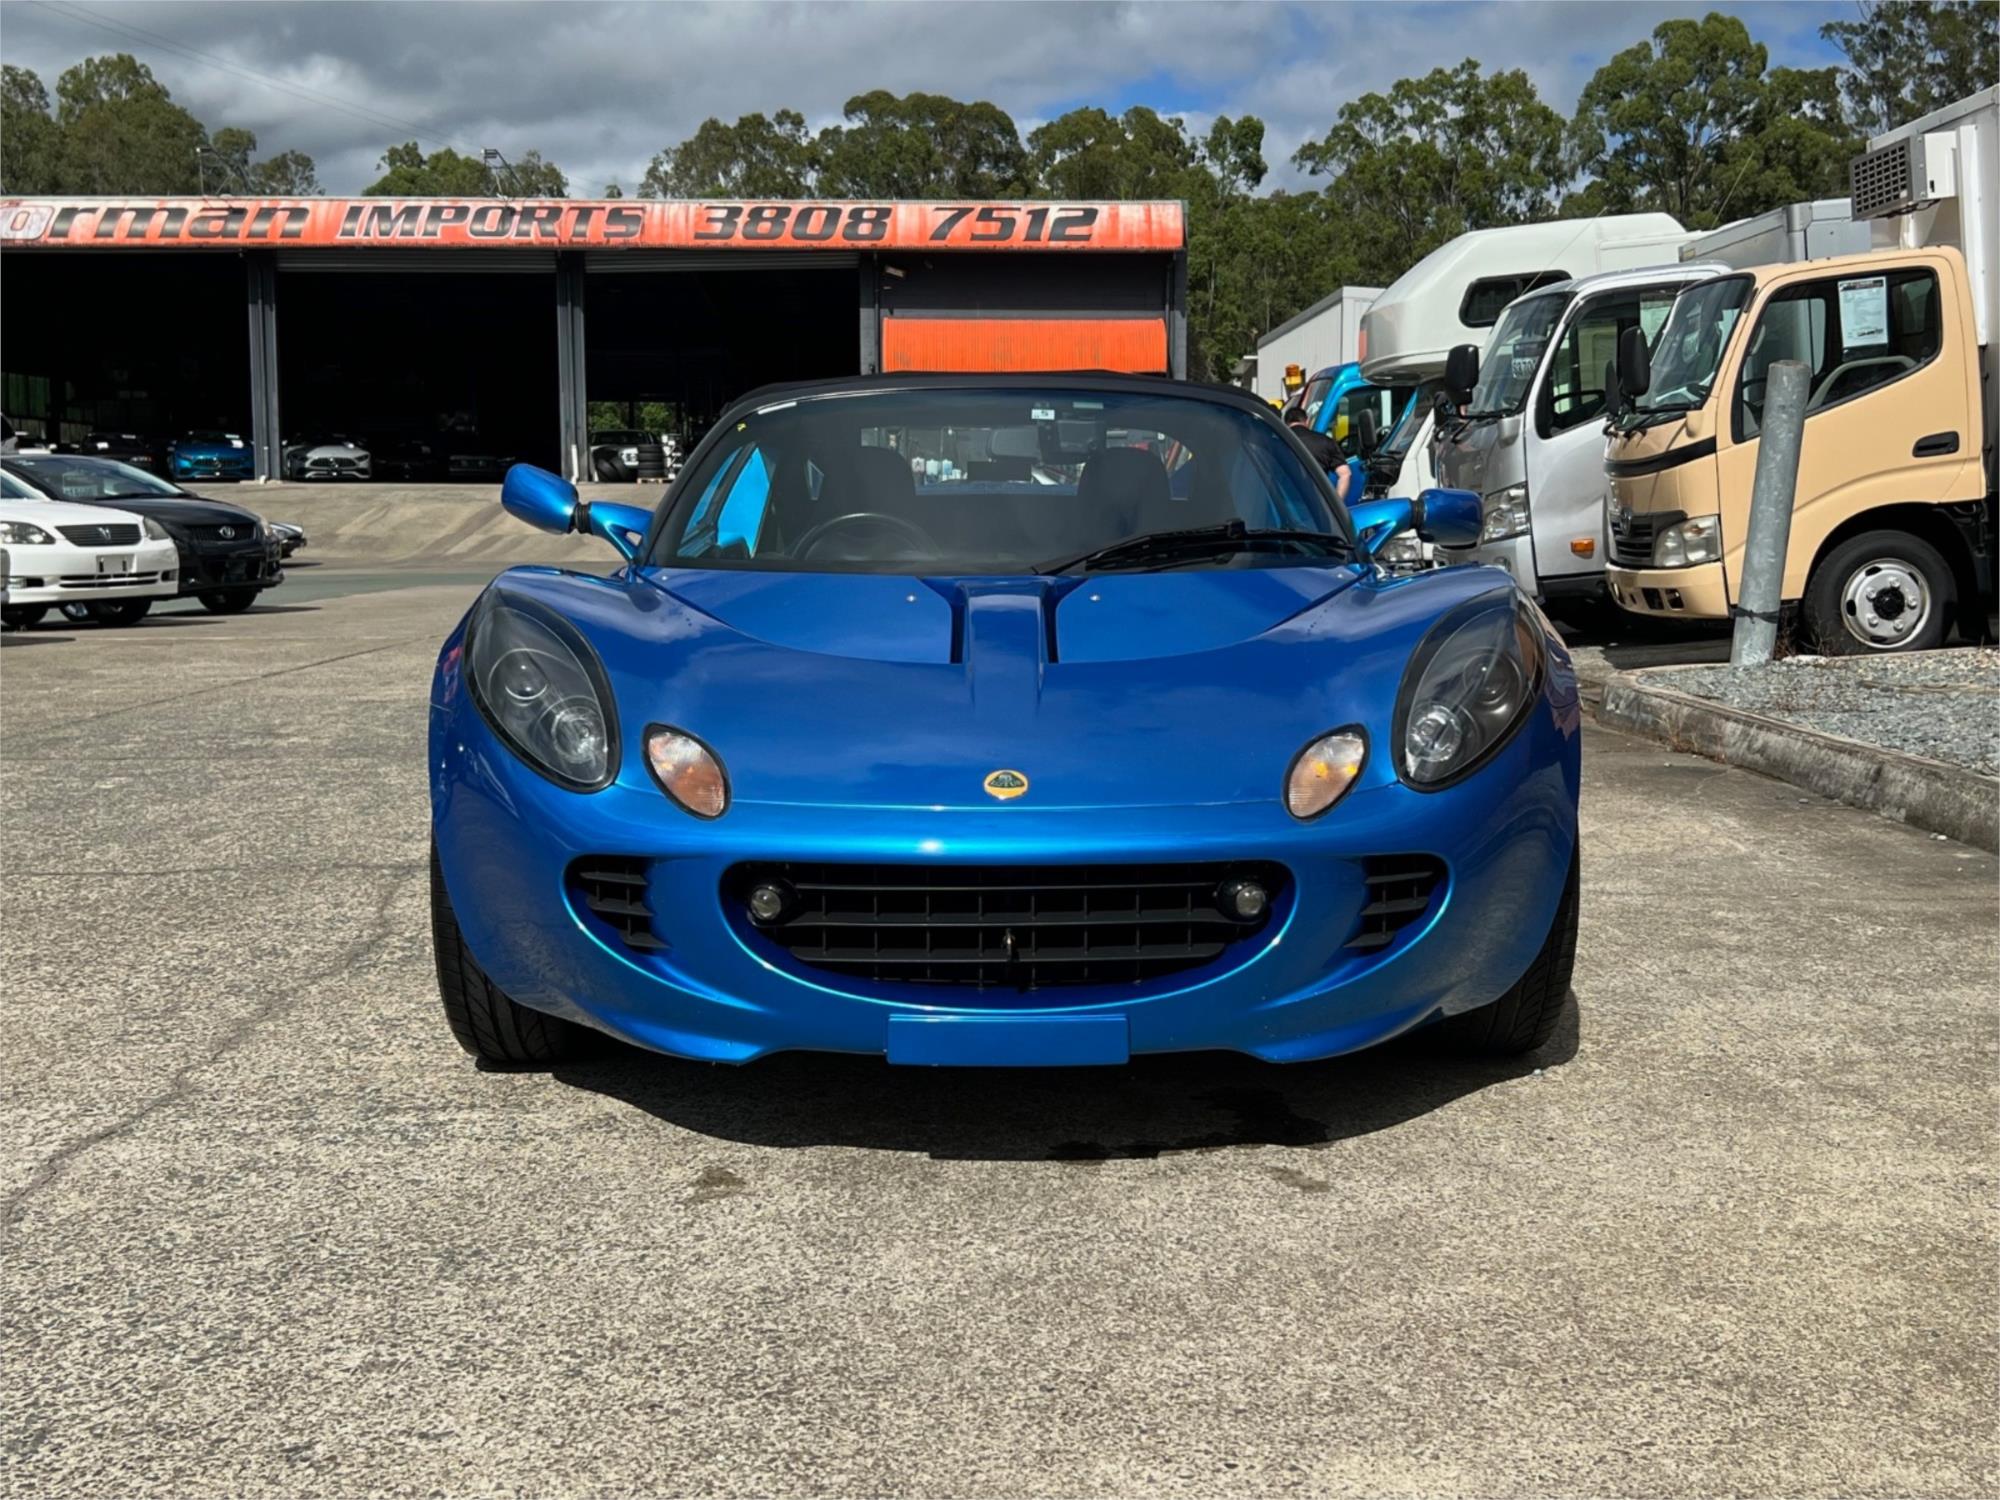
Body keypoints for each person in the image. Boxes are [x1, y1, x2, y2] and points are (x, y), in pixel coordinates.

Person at [1287, 412, 1352, 506]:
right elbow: (1345, 474)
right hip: (1318, 503)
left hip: (1286, 503)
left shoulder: (1277, 441)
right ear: (1307, 421)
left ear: (1286, 423)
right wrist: (1336, 505)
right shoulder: (1325, 441)